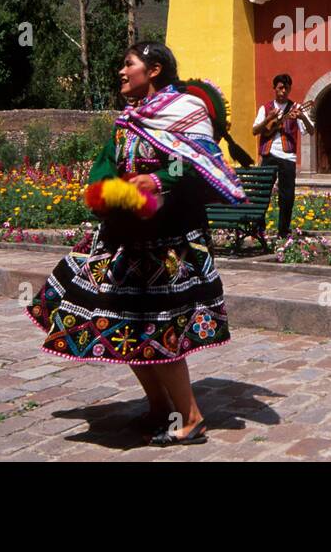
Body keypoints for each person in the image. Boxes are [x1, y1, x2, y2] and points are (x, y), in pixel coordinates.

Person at [27, 42, 246, 447]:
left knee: (160, 324)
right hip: (125, 238)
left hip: (170, 242)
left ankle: (191, 417)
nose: (122, 72)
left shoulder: (185, 113)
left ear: (155, 69)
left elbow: (200, 166)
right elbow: (105, 169)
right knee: (126, 323)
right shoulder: (127, 122)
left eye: (129, 64)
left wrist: (158, 182)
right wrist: (107, 192)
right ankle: (161, 408)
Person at [252, 73, 313, 240]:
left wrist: (301, 117)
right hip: (268, 154)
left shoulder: (296, 108)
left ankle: (283, 231)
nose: (283, 91)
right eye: (280, 88)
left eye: (286, 88)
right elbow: (255, 130)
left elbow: (311, 130)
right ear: (274, 89)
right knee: (262, 194)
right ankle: (259, 230)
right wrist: (269, 119)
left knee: (287, 196)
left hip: (288, 157)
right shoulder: (265, 108)